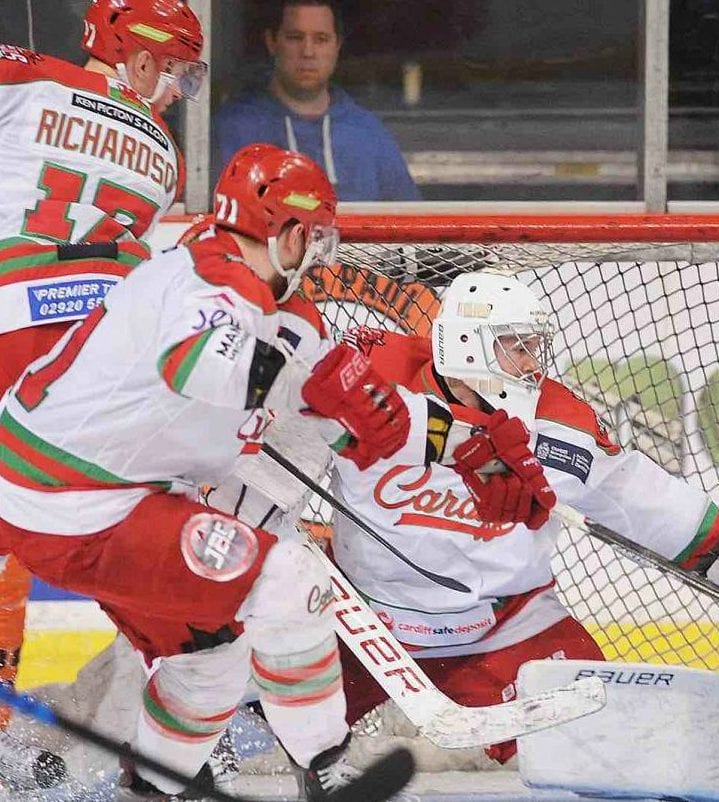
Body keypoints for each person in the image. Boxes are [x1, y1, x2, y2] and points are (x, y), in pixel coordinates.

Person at [315, 271, 719, 766]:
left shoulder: (561, 422)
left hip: (504, 628)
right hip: (363, 623)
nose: (532, 363)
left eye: (534, 346)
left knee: (608, 743)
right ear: (466, 344)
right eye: (515, 347)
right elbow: (283, 429)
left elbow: (636, 497)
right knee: (273, 732)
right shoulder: (373, 380)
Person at [0, 142, 414, 800]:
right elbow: (198, 363)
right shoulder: (212, 278)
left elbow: (300, 397)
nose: (319, 254)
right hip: (76, 501)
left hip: (84, 497)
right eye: (314, 235)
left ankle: (151, 789)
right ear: (284, 230)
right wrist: (311, 390)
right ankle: (328, 769)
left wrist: (425, 440)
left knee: (210, 660)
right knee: (290, 577)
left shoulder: (234, 283)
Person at [0, 0, 204, 786]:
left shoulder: (24, 78)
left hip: (12, 320)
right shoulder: (165, 155)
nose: (180, 91)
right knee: (131, 534)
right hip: (100, 363)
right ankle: (182, 712)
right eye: (180, 72)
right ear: (140, 57)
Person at [212, 0, 419, 202]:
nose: (308, 52)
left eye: (321, 39)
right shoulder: (231, 129)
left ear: (337, 45)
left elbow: (408, 218)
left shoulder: (369, 133)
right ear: (271, 42)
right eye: (295, 38)